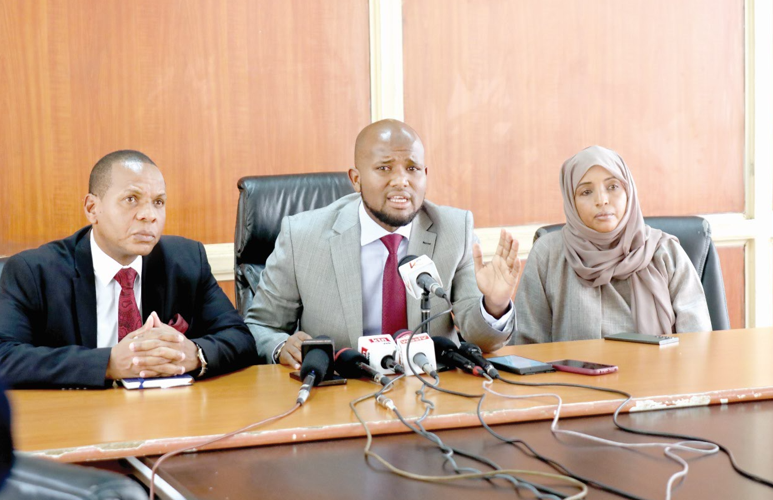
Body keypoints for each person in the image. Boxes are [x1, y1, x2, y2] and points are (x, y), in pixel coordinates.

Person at [246, 119, 520, 367]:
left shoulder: (455, 229)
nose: (401, 180)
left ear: (425, 174)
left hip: (431, 389)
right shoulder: (303, 236)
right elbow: (260, 325)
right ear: (356, 179)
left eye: (412, 169)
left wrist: (494, 305)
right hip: (341, 390)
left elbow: (481, 339)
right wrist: (282, 345)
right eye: (384, 168)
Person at [0, 151, 257, 388]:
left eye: (158, 202)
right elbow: (5, 356)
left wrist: (194, 355)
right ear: (92, 208)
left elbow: (240, 338)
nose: (148, 215)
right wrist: (108, 364)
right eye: (131, 199)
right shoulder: (33, 271)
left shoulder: (187, 260)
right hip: (77, 418)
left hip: (167, 417)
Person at [514, 145, 711, 343]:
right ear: (570, 201)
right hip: (571, 374)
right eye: (586, 192)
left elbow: (697, 342)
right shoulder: (547, 255)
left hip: (659, 372)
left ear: (628, 191)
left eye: (613, 187)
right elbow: (527, 347)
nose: (601, 200)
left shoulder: (665, 252)